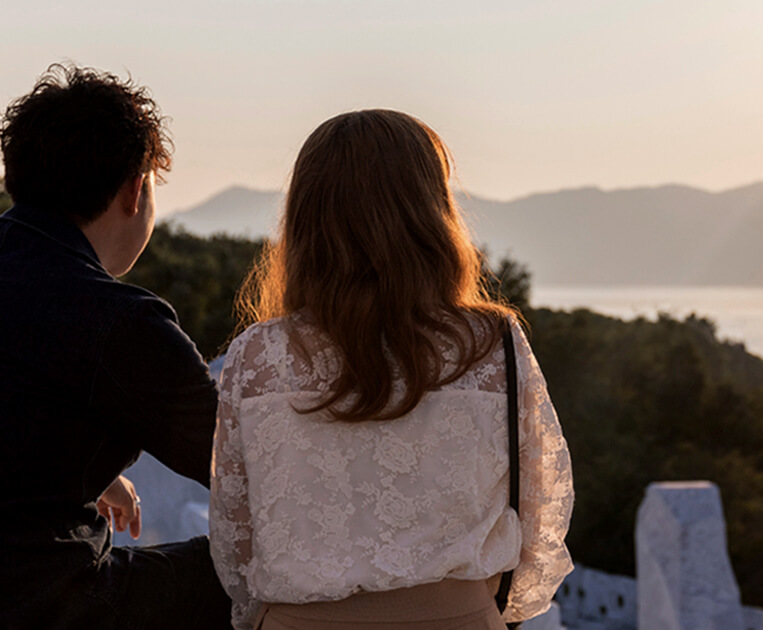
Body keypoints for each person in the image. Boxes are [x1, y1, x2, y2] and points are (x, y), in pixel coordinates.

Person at [209, 109, 574, 630]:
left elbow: (233, 541)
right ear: (432, 211)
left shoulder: (255, 359)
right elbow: (540, 521)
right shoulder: (493, 345)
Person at [0, 64, 231, 628]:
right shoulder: (118, 321)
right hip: (32, 607)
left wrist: (84, 469)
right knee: (252, 570)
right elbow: (242, 463)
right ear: (136, 191)